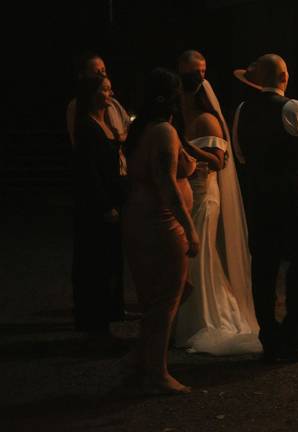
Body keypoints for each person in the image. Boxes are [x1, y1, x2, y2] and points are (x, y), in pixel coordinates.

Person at [232, 54, 298, 363]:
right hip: (293, 197)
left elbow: (241, 154)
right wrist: (292, 165)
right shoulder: (294, 109)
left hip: (259, 197)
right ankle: (293, 337)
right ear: (284, 76)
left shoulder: (243, 111)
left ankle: (269, 338)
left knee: (264, 268)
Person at [173, 51, 260, 355]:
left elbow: (219, 161)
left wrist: (186, 150)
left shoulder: (208, 121)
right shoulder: (179, 115)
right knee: (187, 258)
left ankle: (206, 319)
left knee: (201, 257)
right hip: (185, 196)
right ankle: (184, 319)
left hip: (203, 196)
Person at [122, 69, 200, 394]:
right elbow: (167, 183)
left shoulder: (141, 129)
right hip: (161, 222)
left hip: (139, 218)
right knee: (166, 297)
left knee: (168, 294)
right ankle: (157, 372)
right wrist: (189, 228)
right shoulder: (164, 131)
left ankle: (142, 360)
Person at [71, 74, 126, 332]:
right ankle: (94, 325)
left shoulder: (105, 123)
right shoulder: (86, 126)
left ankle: (106, 317)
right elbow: (89, 171)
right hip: (98, 207)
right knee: (96, 264)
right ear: (93, 94)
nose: (110, 94)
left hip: (113, 199)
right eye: (104, 90)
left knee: (110, 263)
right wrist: (106, 206)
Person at [66, 53, 130, 157]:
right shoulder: (76, 106)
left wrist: (121, 137)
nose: (102, 75)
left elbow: (129, 128)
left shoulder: (113, 103)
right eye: (97, 72)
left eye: (103, 70)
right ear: (83, 76)